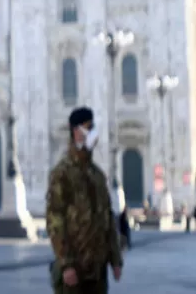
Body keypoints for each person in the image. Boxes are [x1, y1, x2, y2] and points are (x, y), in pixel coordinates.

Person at [46, 106, 123, 293]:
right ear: (76, 132)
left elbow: (108, 219)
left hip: (97, 270)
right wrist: (66, 263)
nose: (93, 133)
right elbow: (55, 220)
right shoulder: (62, 173)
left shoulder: (97, 175)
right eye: (89, 128)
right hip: (75, 270)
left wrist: (115, 258)